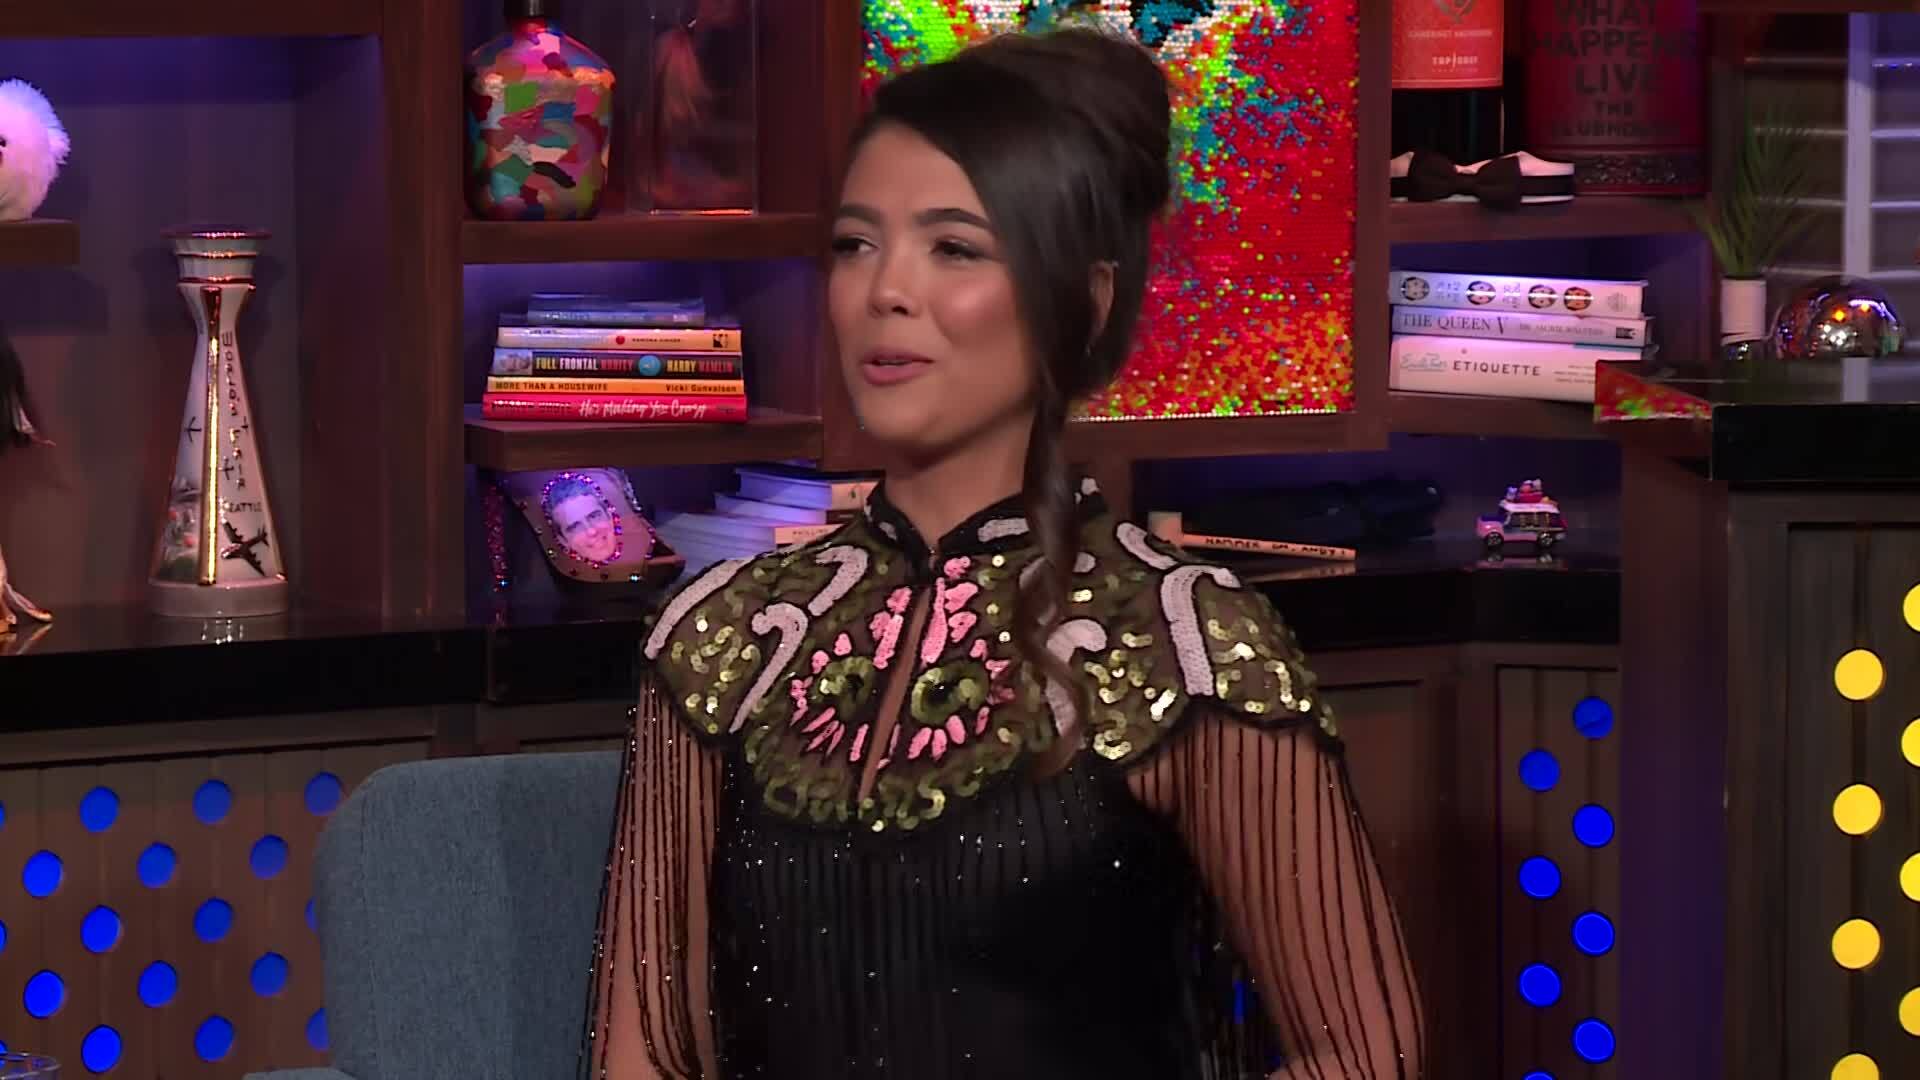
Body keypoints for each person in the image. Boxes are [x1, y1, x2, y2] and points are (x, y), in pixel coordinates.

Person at [579, 25, 1424, 1080]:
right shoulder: (719, 640)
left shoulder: (1190, 645)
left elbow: (1364, 1053)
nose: (886, 291)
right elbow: (641, 1055)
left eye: (955, 248)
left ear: (1084, 300)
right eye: (856, 244)